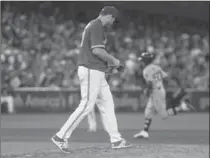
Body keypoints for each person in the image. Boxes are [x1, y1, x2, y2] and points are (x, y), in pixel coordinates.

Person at [51, 6, 132, 153]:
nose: (113, 22)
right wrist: (113, 60)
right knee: (86, 105)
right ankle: (60, 136)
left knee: (107, 104)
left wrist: (107, 66)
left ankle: (116, 139)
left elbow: (94, 52)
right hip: (90, 70)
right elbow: (97, 50)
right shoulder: (97, 25)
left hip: (96, 70)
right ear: (108, 16)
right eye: (113, 19)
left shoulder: (94, 25)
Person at [133, 52, 195, 139]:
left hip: (155, 92)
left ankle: (182, 107)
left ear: (145, 61)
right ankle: (144, 132)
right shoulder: (156, 67)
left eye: (142, 60)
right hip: (160, 90)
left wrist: (147, 91)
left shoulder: (146, 70)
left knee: (164, 115)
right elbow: (166, 78)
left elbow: (150, 84)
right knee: (148, 112)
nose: (141, 62)